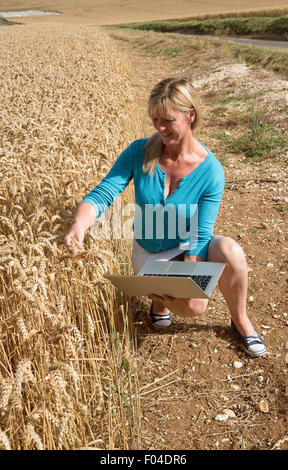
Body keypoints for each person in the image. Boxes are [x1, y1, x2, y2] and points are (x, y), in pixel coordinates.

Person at [64, 77, 266, 358]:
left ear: (190, 115)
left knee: (221, 265)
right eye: (155, 119)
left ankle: (240, 320)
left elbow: (201, 233)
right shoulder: (139, 151)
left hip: (188, 245)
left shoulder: (211, 171)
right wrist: (79, 224)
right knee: (185, 298)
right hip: (150, 252)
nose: (159, 128)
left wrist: (189, 280)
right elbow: (104, 192)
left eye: (167, 120)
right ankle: (161, 303)